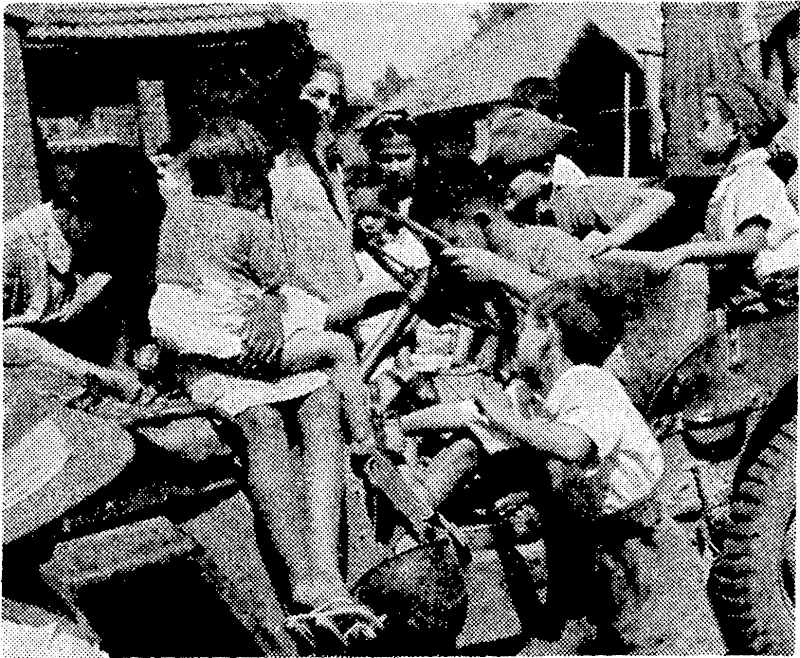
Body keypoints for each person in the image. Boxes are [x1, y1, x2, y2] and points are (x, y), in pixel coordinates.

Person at [149, 116, 384, 647]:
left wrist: (287, 327)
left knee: (324, 412)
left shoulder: (268, 219)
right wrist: (265, 331)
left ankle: (342, 579)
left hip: (267, 360)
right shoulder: (187, 223)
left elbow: (312, 290)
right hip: (212, 370)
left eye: (247, 174)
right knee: (266, 432)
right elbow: (176, 314)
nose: (238, 185)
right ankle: (310, 591)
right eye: (224, 172)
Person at [385, 307, 665, 649]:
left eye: (519, 333)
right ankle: (419, 523)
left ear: (548, 333)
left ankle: (586, 621)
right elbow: (470, 414)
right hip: (581, 515)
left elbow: (577, 446)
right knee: (485, 447)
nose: (510, 343)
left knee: (617, 624)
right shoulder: (532, 391)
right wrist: (403, 424)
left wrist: (509, 422)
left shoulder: (589, 382)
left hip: (623, 524)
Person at [149, 118, 373, 447]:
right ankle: (364, 447)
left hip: (202, 346)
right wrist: (266, 308)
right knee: (339, 347)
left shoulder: (176, 219)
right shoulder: (249, 223)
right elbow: (275, 284)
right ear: (237, 175)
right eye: (258, 173)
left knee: (320, 315)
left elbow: (173, 295)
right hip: (247, 345)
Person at [4, 144, 166, 400]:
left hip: (98, 390)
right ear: (75, 205)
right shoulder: (15, 244)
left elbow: (133, 322)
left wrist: (143, 349)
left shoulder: (120, 244)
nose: (122, 242)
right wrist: (107, 378)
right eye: (111, 228)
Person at [359, 109, 422, 216]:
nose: (394, 168)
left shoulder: (439, 204)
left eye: (403, 158)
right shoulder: (366, 207)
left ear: (420, 157)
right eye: (385, 159)